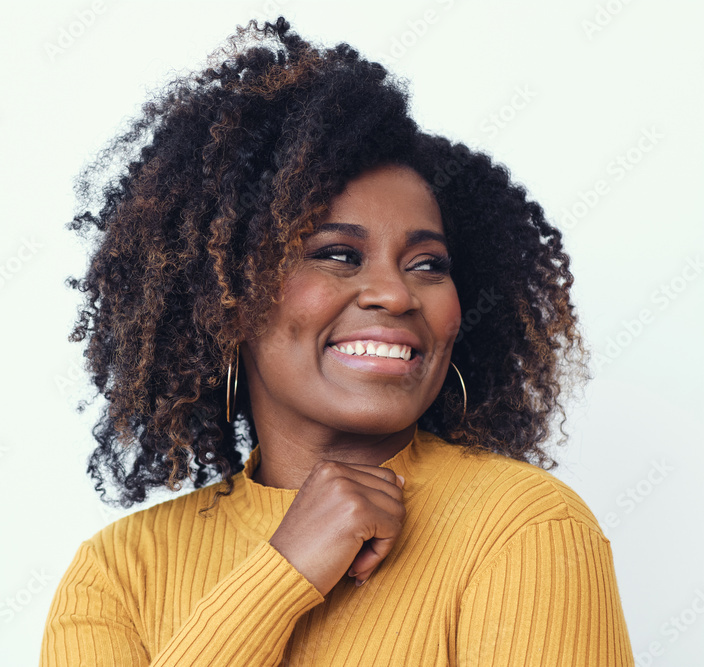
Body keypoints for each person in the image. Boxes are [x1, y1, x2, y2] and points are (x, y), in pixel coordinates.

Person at [40, 17, 635, 666]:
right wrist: (282, 572)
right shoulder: (118, 573)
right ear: (223, 298)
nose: (397, 294)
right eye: (338, 254)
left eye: (429, 263)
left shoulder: (522, 526)